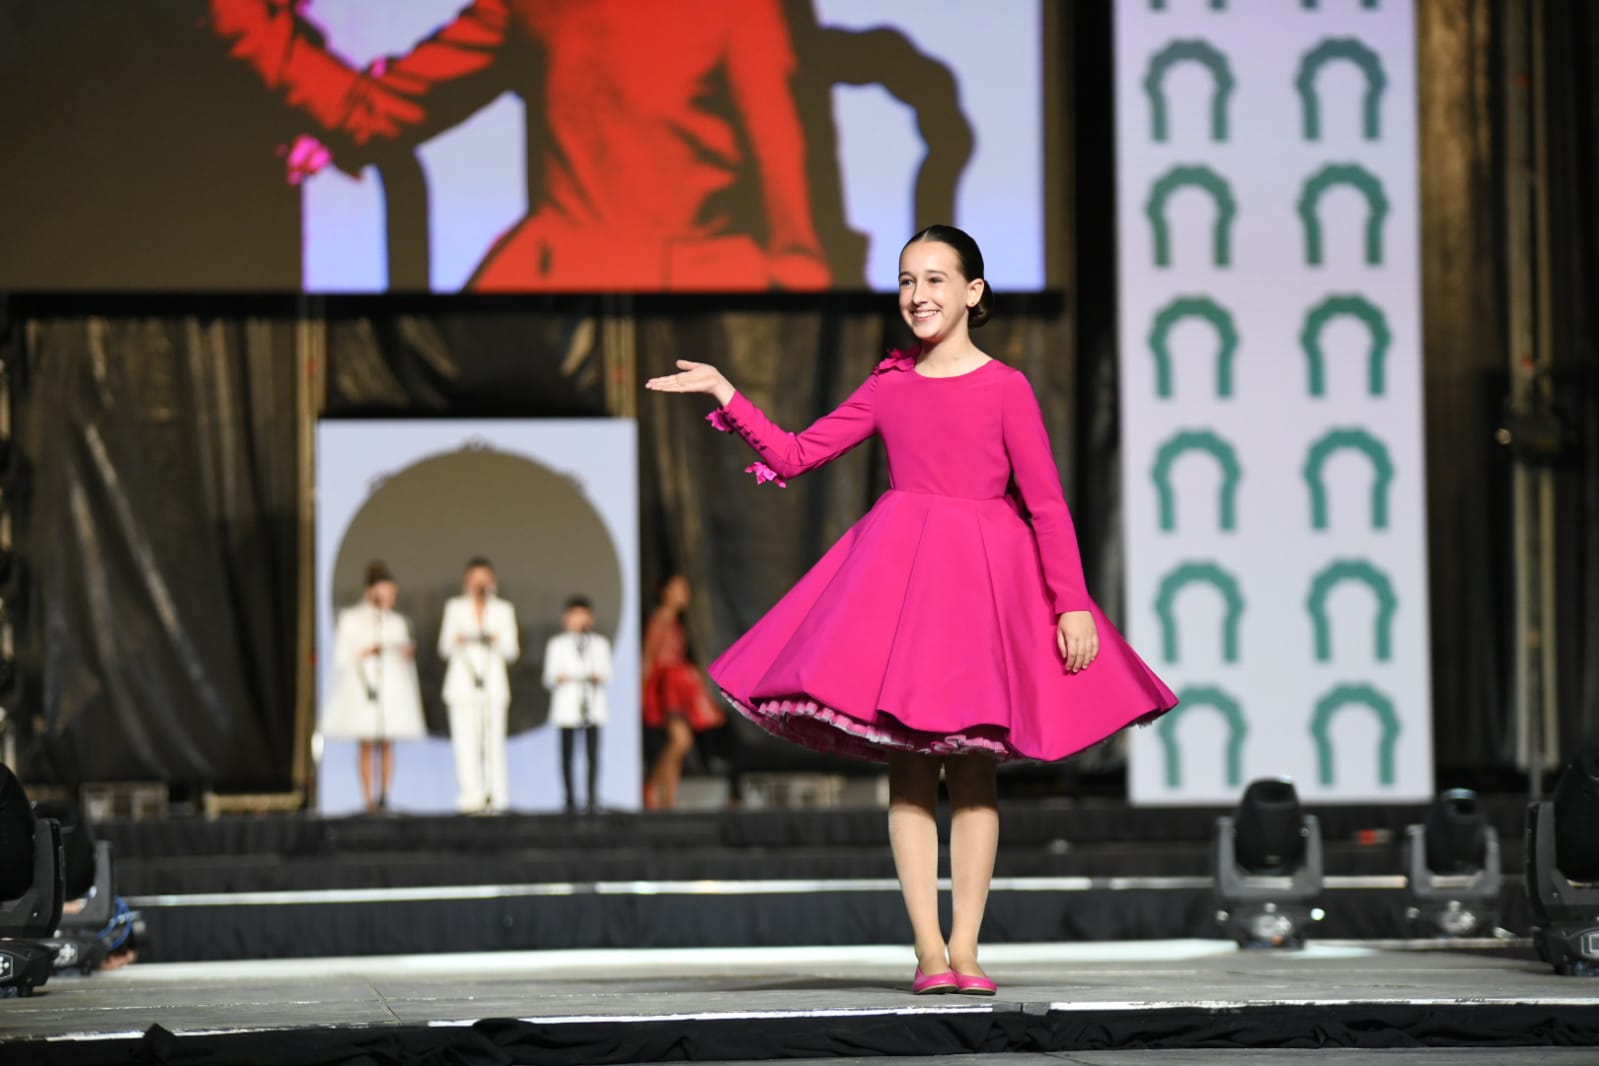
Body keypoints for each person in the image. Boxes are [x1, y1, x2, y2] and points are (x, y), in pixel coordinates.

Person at [645, 225, 1177, 995]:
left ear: (972, 292)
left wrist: (1072, 604)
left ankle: (965, 949)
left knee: (974, 772)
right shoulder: (889, 385)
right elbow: (795, 456)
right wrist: (727, 391)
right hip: (903, 583)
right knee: (907, 770)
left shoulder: (1006, 387)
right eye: (905, 281)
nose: (917, 295)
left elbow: (1047, 503)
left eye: (934, 279)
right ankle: (928, 951)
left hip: (985, 583)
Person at [204, 0, 831, 291]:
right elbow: (375, 115)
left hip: (686, 304)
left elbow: (796, 237)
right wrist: (248, 22)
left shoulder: (743, 10)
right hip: (556, 299)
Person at [323, 561, 427, 812]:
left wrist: (404, 654)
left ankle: (385, 795)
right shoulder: (351, 619)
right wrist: (368, 651)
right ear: (371, 591)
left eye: (393, 593)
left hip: (391, 686)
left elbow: (404, 659)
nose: (389, 597)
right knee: (367, 743)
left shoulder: (397, 622)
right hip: (363, 686)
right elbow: (342, 658)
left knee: (387, 743)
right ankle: (368, 799)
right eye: (385, 592)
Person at [439, 557, 521, 813]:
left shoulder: (503, 610)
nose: (480, 584)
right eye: (476, 579)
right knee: (465, 743)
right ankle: (470, 797)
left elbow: (512, 650)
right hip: (462, 685)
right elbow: (444, 647)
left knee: (494, 742)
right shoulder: (455, 608)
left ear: (493, 581)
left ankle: (497, 796)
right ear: (466, 581)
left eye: (485, 579)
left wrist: (494, 639)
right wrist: (462, 639)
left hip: (493, 685)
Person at [640, 575, 725, 811]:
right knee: (681, 741)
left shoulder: (676, 624)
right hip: (665, 686)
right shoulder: (660, 620)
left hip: (676, 687)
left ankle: (668, 799)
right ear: (665, 591)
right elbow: (648, 657)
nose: (683, 594)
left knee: (680, 742)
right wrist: (643, 691)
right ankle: (652, 786)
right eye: (678, 589)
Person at [542, 595, 613, 814]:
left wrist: (581, 676)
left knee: (592, 755)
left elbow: (607, 674)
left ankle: (591, 798)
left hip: (592, 706)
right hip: (567, 707)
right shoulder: (557, 644)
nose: (579, 620)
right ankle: (569, 799)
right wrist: (576, 677)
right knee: (568, 755)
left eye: (583, 616)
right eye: (574, 615)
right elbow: (550, 677)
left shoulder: (598, 644)